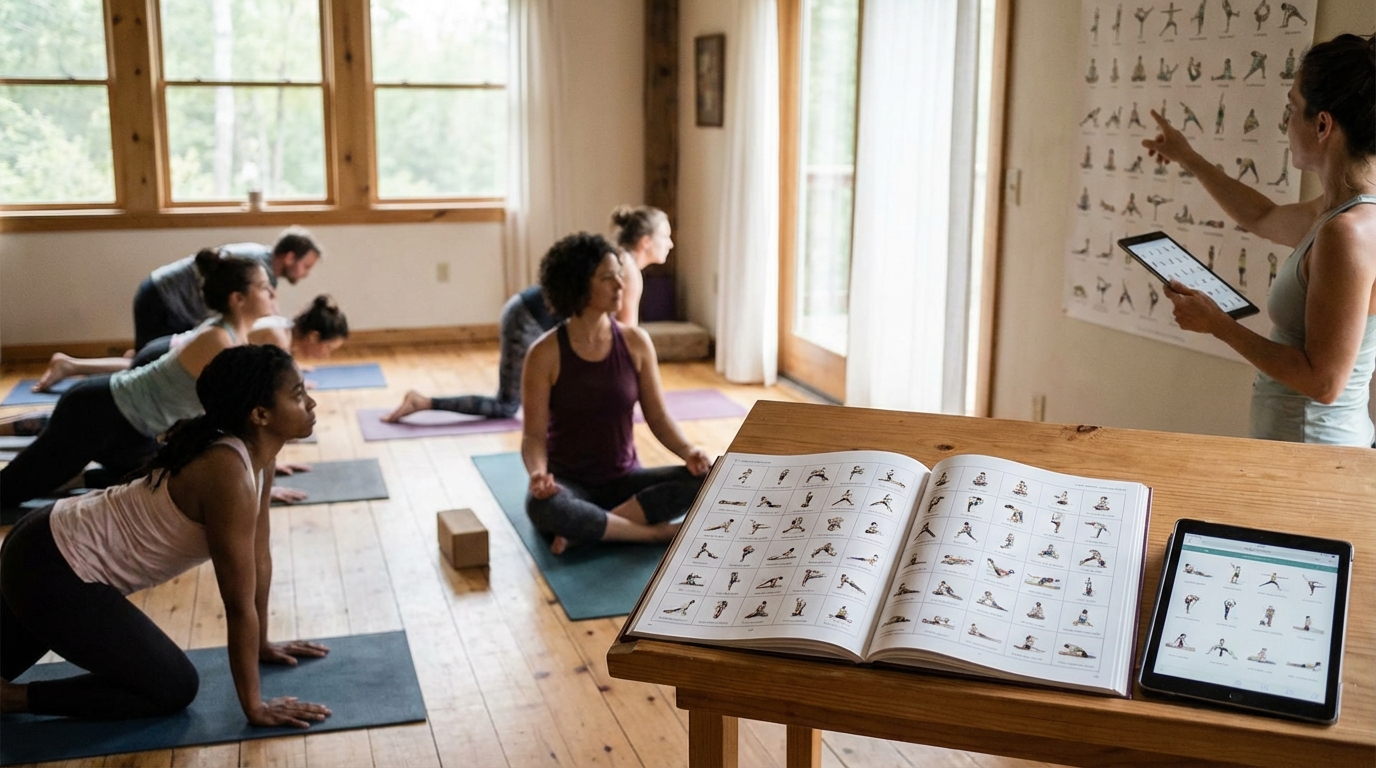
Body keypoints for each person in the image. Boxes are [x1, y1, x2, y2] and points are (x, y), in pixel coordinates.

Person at [0, 345, 331, 726]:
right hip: (53, 567)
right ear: (260, 415)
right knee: (172, 687)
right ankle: (11, 699)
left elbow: (259, 556)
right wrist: (254, 707)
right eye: (298, 394)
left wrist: (262, 644)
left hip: (43, 544)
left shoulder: (258, 459)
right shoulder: (228, 474)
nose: (311, 403)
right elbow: (237, 602)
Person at [1143, 33, 1376, 446]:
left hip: (1315, 453)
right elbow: (1261, 216)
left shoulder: (1347, 232)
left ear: (1322, 125)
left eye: (1292, 108)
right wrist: (1189, 158)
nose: (1286, 121)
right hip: (1303, 444)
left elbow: (1324, 382)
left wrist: (1217, 324)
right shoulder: (1336, 213)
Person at [1, 253, 276, 510]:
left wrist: (257, 473)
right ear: (238, 298)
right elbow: (229, 421)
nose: (272, 292)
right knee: (10, 491)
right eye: (264, 287)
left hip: (133, 432)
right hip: (101, 412)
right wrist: (255, 475)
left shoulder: (231, 336)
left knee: (162, 484)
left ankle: (72, 476)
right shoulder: (217, 341)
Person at [383, 205, 673, 423]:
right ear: (645, 241)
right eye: (666, 236)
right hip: (526, 317)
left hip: (529, 311)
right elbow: (623, 340)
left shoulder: (617, 260)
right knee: (507, 406)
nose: (670, 244)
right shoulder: (628, 271)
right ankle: (422, 402)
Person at [520, 232, 710, 554]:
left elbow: (659, 416)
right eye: (608, 278)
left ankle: (592, 529)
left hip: (626, 483)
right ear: (579, 285)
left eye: (619, 276)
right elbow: (534, 437)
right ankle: (655, 535)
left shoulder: (636, 343)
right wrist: (539, 474)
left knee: (708, 478)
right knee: (544, 508)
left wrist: (689, 451)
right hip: (570, 484)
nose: (620, 286)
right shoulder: (544, 354)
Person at [32, 295, 350, 392]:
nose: (326, 355)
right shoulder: (278, 339)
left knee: (130, 371)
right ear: (313, 337)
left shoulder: (282, 329)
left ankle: (72, 365)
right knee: (125, 383)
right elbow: (267, 386)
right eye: (328, 348)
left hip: (172, 345)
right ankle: (71, 368)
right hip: (173, 351)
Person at [132, 227, 321, 350]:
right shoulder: (257, 267)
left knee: (146, 359)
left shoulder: (263, 268)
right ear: (289, 257)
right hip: (161, 299)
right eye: (306, 266)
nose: (307, 273)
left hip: (176, 306)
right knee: (143, 363)